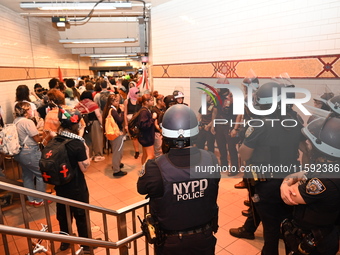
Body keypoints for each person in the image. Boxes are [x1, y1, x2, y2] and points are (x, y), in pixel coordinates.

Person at [137, 104, 220, 255]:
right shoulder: (211, 159)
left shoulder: (154, 167)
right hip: (204, 239)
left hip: (171, 244)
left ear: (165, 135)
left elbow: (142, 188)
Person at [238, 81, 305, 255]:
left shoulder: (258, 124)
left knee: (270, 226)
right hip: (290, 180)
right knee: (288, 222)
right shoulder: (295, 120)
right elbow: (305, 149)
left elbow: (244, 155)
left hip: (266, 182)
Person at [280, 116, 340, 255]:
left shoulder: (322, 181)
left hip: (317, 241)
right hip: (324, 234)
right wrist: (287, 182)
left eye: (310, 141)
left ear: (322, 148)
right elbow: (300, 174)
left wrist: (285, 183)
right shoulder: (330, 166)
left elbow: (290, 197)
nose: (307, 142)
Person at [53, 108, 93, 253]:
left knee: (63, 214)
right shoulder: (77, 144)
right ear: (76, 125)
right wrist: (86, 149)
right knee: (81, 215)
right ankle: (86, 245)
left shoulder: (55, 139)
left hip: (60, 186)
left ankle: (65, 242)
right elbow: (84, 167)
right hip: (76, 187)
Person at [13, 102, 47, 207]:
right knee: (41, 174)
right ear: (27, 111)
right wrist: (46, 136)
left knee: (27, 175)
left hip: (20, 152)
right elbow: (36, 138)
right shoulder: (28, 122)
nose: (32, 111)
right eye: (30, 109)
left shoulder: (16, 121)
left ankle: (31, 199)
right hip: (30, 151)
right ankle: (40, 199)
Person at [74, 91, 104, 162]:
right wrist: (102, 124)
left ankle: (89, 155)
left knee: (87, 140)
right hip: (94, 123)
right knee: (97, 139)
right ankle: (98, 155)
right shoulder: (93, 104)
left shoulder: (78, 105)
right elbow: (98, 115)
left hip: (83, 125)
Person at [102, 94, 127, 177]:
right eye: (116, 101)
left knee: (116, 150)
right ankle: (116, 170)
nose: (118, 102)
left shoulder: (109, 110)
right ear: (112, 102)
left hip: (112, 134)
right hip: (116, 134)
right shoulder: (112, 110)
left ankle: (117, 164)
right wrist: (123, 111)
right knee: (118, 151)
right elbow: (119, 120)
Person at [137, 93, 157, 165]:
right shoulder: (144, 112)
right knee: (151, 156)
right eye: (151, 100)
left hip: (144, 136)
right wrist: (153, 118)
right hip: (147, 137)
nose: (153, 102)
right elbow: (144, 125)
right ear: (146, 102)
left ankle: (143, 170)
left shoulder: (145, 110)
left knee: (145, 155)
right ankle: (145, 170)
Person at [124, 86, 141, 159]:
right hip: (131, 121)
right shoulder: (127, 101)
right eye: (136, 92)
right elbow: (125, 113)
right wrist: (126, 124)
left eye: (138, 92)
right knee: (134, 137)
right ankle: (136, 151)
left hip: (139, 120)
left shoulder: (139, 100)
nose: (137, 94)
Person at [151, 91, 166, 158]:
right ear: (159, 101)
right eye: (163, 101)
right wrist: (160, 130)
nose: (164, 103)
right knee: (158, 150)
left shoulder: (164, 108)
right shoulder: (154, 110)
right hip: (157, 132)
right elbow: (155, 123)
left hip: (163, 131)